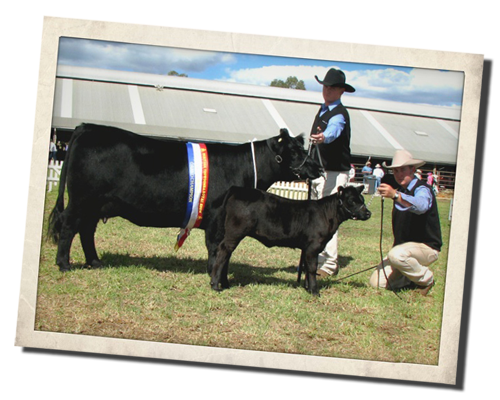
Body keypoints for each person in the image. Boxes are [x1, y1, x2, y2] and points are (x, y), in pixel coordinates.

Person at [369, 149, 442, 296]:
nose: (399, 174)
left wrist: (395, 195)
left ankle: (426, 279)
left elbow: (421, 206)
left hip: (426, 248)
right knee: (376, 283)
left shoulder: (422, 189)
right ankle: (410, 277)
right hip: (404, 248)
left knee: (396, 255)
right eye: (396, 171)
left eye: (403, 170)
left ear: (412, 169)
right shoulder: (402, 190)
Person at [309, 68, 355, 277]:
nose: (328, 90)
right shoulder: (323, 110)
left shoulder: (339, 114)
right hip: (321, 172)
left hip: (335, 173)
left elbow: (334, 130)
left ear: (341, 91)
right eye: (326, 86)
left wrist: (324, 137)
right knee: (317, 218)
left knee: (329, 219)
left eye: (333, 87)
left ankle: (328, 264)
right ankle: (317, 259)